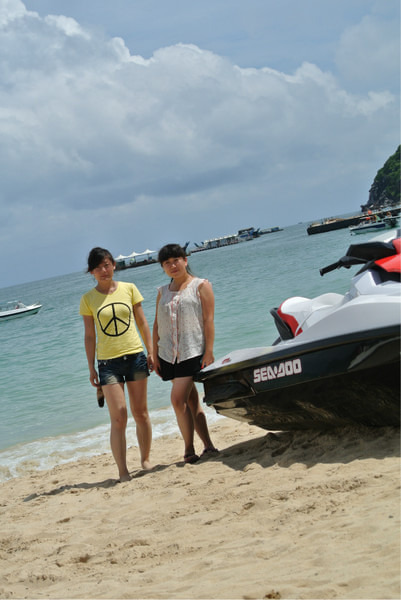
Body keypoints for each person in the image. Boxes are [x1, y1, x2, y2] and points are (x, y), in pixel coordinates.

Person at [80, 247, 154, 482]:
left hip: (135, 357)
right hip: (107, 364)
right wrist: (91, 367)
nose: (103, 270)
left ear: (113, 265)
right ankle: (123, 470)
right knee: (119, 417)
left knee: (141, 413)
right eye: (98, 267)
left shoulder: (129, 288)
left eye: (106, 265)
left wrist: (151, 351)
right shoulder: (88, 299)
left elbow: (142, 322)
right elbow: (89, 335)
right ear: (91, 272)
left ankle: (145, 460)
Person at [153, 243, 218, 463]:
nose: (172, 266)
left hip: (192, 351)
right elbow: (157, 325)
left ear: (185, 260)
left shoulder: (201, 285)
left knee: (177, 399)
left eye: (176, 261)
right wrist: (154, 354)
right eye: (167, 263)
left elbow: (208, 320)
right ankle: (208, 446)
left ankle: (189, 449)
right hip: (168, 354)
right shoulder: (162, 291)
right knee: (191, 400)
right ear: (163, 267)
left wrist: (209, 351)